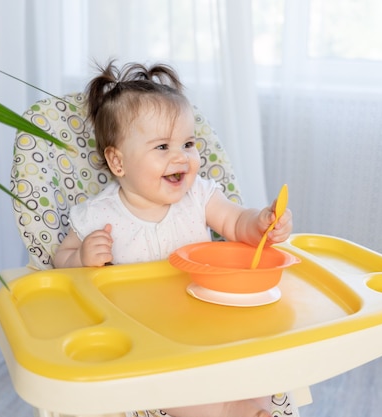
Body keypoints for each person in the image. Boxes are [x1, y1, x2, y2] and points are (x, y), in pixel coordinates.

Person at [54, 61, 294, 417]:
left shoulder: (198, 195)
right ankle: (230, 410)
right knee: (182, 390)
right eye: (163, 147)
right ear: (118, 162)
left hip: (207, 320)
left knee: (254, 361)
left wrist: (261, 223)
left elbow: (235, 222)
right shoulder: (99, 215)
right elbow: (61, 259)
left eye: (188, 143)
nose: (182, 156)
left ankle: (247, 402)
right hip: (144, 337)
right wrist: (81, 257)